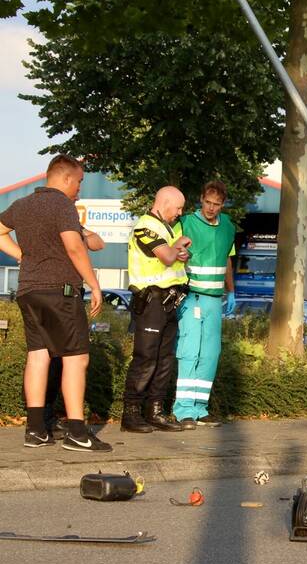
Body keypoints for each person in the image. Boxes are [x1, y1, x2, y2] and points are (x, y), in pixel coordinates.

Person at [0, 154, 109, 452]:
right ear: (65, 178)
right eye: (79, 182)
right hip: (59, 292)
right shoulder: (62, 204)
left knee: (38, 356)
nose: (80, 189)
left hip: (28, 290)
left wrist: (23, 256)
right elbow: (74, 248)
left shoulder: (22, 205)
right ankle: (76, 431)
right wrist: (94, 284)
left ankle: (35, 430)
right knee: (76, 358)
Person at [121, 185, 191, 433]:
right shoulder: (145, 226)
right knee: (146, 358)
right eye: (178, 208)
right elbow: (168, 257)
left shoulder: (167, 227)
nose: (180, 213)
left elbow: (178, 257)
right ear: (164, 203)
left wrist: (178, 249)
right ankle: (131, 413)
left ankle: (155, 411)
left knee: (164, 359)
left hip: (169, 301)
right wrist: (178, 246)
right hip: (150, 300)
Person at [173, 181, 237, 427]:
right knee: (190, 352)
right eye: (208, 202)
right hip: (191, 296)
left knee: (211, 354)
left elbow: (228, 260)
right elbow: (172, 253)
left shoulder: (228, 227)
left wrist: (231, 292)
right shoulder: (186, 223)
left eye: (217, 204)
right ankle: (183, 410)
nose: (211, 208)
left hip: (214, 300)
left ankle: (200, 408)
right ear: (201, 199)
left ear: (223, 204)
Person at [43, 227, 106, 440]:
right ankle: (46, 418)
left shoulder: (71, 223)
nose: (78, 194)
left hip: (69, 294)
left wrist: (81, 239)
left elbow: (98, 242)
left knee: (61, 360)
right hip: (54, 294)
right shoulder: (48, 224)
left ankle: (47, 419)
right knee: (50, 359)